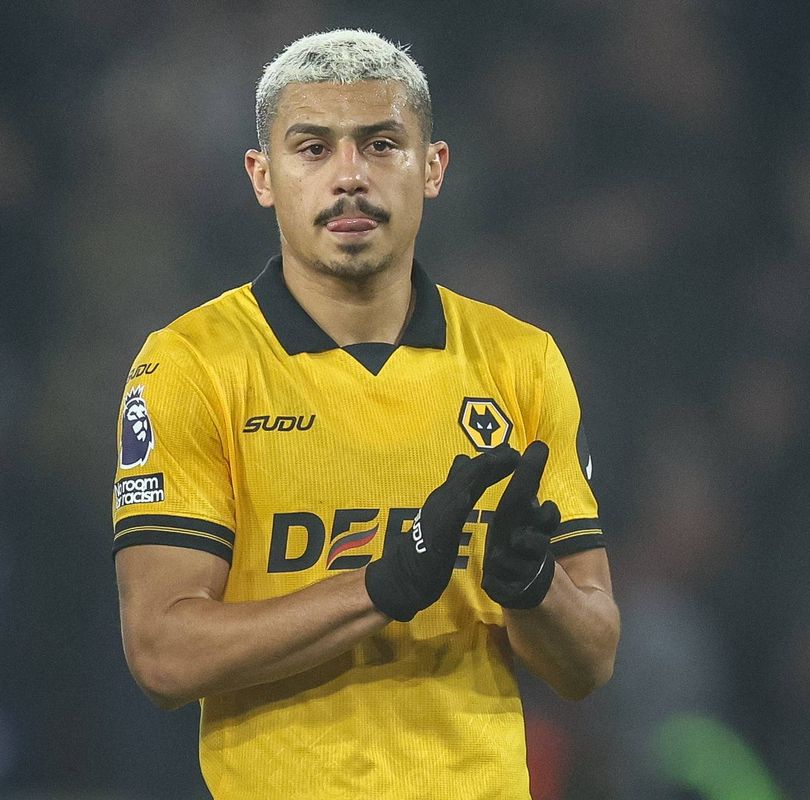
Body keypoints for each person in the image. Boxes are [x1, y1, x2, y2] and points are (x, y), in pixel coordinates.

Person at [110, 29, 619, 799]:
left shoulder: (522, 361)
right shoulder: (191, 365)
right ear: (262, 176)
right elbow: (161, 654)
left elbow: (592, 662)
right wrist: (382, 586)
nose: (349, 176)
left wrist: (534, 585)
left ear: (433, 167)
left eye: (381, 145)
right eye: (313, 149)